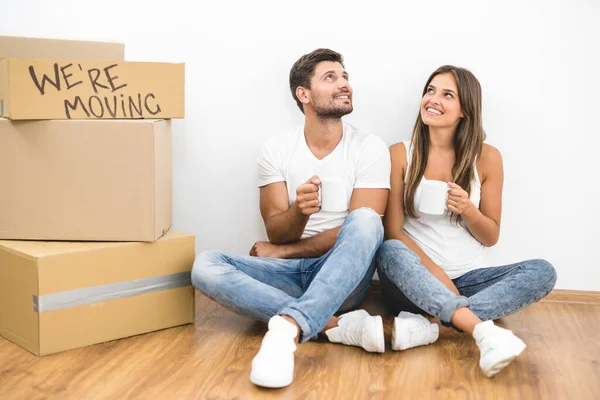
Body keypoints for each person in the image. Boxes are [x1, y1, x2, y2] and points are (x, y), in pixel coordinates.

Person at [191, 48, 391, 388]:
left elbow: (361, 234)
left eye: (345, 77)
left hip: (342, 275)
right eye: (331, 77)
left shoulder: (369, 148)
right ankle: (333, 327)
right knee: (205, 264)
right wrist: (298, 212)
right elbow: (275, 230)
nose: (344, 84)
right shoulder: (277, 149)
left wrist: (285, 251)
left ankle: (286, 329)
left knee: (368, 221)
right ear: (304, 94)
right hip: (290, 275)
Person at [376, 65, 557, 378]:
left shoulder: (488, 158)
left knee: (542, 271)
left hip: (469, 279)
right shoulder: (400, 154)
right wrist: (442, 284)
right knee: (388, 251)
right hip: (414, 279)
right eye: (430, 90)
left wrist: (467, 210)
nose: (433, 99)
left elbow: (490, 236)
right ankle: (477, 327)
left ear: (465, 110)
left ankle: (433, 326)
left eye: (448, 95)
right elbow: (393, 233)